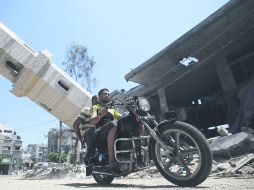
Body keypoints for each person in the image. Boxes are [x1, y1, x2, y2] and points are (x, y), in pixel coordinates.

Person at [90, 88, 122, 171]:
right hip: (100, 132)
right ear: (99, 96)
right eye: (104, 94)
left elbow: (120, 117)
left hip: (111, 129)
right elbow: (92, 121)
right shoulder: (95, 107)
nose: (107, 95)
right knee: (113, 124)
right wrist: (100, 115)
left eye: (108, 94)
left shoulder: (112, 109)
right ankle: (111, 160)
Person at [72, 95, 98, 164]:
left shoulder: (103, 112)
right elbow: (75, 124)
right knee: (92, 129)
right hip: (88, 133)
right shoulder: (87, 110)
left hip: (99, 134)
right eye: (96, 100)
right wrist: (81, 139)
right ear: (93, 101)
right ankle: (89, 158)